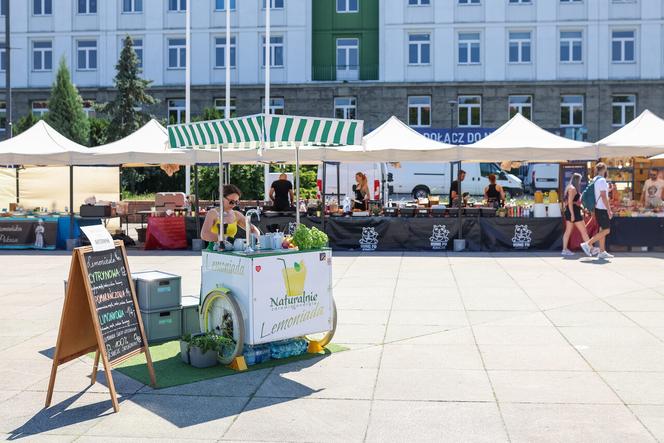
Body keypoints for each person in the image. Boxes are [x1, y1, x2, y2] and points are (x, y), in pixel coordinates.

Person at [581, 163, 614, 259]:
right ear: (604, 169)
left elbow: (598, 193)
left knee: (602, 230)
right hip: (602, 208)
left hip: (596, 208)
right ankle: (588, 244)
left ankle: (602, 251)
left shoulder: (595, 179)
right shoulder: (602, 180)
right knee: (607, 230)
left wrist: (609, 189)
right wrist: (609, 210)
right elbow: (603, 196)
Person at [561, 173, 591, 256]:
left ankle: (564, 249)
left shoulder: (569, 187)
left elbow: (570, 202)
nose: (580, 182)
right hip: (574, 212)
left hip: (572, 211)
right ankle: (590, 248)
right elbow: (570, 202)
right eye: (580, 180)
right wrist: (572, 214)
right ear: (577, 180)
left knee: (568, 231)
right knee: (583, 231)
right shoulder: (572, 189)